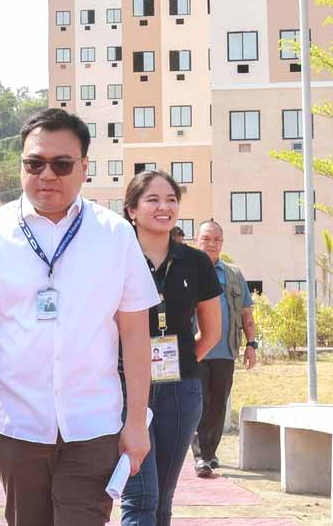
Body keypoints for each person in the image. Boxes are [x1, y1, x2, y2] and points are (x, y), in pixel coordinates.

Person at [0, 108, 158, 526]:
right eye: (34, 164)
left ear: (84, 167)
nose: (47, 175)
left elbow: (136, 335)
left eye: (61, 164)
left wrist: (137, 423)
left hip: (93, 422)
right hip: (16, 422)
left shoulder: (115, 234)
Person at [119, 171, 221, 526]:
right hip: (123, 387)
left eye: (171, 200)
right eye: (152, 200)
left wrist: (182, 365)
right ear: (132, 209)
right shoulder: (115, 257)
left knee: (162, 498)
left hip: (180, 390)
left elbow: (212, 332)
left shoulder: (196, 262)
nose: (164, 207)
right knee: (139, 496)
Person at [191, 220, 258, 478]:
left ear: (222, 243)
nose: (211, 243)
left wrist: (251, 344)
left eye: (217, 239)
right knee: (199, 403)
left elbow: (246, 314)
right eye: (206, 238)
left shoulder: (233, 274)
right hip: (195, 351)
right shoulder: (187, 271)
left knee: (218, 405)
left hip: (225, 351)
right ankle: (202, 457)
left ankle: (210, 452)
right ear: (197, 241)